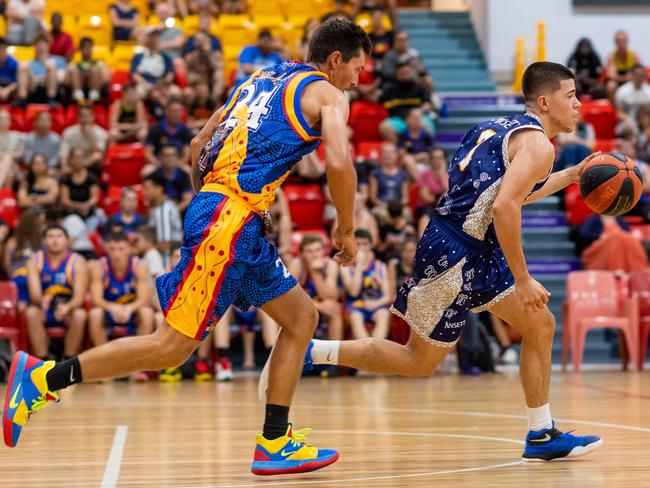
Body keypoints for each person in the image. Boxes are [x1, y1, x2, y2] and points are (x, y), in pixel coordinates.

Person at [3, 20, 370, 479]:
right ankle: (41, 379)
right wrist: (346, 228)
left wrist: (214, 197)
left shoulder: (260, 79)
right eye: (357, 67)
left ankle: (275, 441)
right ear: (335, 60)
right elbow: (339, 161)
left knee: (301, 318)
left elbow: (200, 144)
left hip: (234, 219)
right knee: (171, 347)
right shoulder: (329, 95)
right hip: (229, 224)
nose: (358, 78)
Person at [288, 61, 603, 461]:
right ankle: (312, 352)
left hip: (467, 245)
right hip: (456, 253)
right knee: (418, 361)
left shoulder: (501, 127)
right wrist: (522, 279)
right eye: (571, 95)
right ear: (545, 101)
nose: (578, 104)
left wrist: (571, 174)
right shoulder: (540, 146)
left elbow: (504, 195)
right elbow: (506, 205)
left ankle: (541, 434)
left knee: (539, 323)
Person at [24, 224, 88, 360]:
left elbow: (79, 296)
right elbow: (34, 292)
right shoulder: (34, 260)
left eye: (59, 236)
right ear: (44, 241)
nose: (55, 240)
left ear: (67, 240)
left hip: (68, 306)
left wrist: (68, 307)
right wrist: (41, 301)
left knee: (80, 314)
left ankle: (69, 358)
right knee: (31, 312)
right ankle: (43, 359)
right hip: (44, 306)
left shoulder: (77, 261)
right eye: (50, 236)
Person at [88, 232, 154, 362]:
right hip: (108, 311)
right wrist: (111, 308)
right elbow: (96, 298)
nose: (116, 254)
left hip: (132, 311)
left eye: (121, 249)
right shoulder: (99, 266)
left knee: (147, 312)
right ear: (106, 249)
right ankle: (105, 362)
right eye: (112, 249)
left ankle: (138, 362)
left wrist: (129, 308)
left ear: (129, 249)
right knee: (94, 314)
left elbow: (144, 299)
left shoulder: (139, 265)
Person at [288, 234, 343, 342]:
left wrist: (315, 273)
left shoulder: (330, 264)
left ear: (324, 251)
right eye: (310, 251)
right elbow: (289, 296)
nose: (315, 255)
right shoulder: (297, 264)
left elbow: (331, 295)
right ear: (302, 254)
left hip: (321, 306)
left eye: (318, 250)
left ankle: (335, 354)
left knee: (335, 309)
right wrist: (317, 305)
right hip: (301, 306)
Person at [143, 172, 182, 268]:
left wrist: (143, 248)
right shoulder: (160, 207)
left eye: (147, 188)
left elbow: (165, 243)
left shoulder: (163, 209)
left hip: (167, 262)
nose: (144, 192)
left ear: (159, 189)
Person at [60, 147, 103, 231]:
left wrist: (86, 206)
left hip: (89, 212)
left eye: (80, 157)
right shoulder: (65, 178)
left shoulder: (92, 178)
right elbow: (64, 200)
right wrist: (78, 206)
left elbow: (94, 198)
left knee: (93, 225)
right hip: (71, 212)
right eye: (75, 157)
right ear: (70, 160)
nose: (78, 160)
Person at [144, 98, 192, 170]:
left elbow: (186, 155)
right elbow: (148, 153)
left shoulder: (185, 130)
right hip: (158, 164)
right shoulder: (155, 128)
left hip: (178, 165)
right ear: (166, 112)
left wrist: (176, 165)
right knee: (147, 171)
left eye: (179, 112)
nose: (177, 114)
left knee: (189, 171)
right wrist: (158, 164)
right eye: (174, 111)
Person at [60, 105, 108, 171]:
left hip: (92, 167)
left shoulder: (101, 133)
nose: (85, 120)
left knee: (97, 156)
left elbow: (99, 155)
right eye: (82, 116)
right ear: (78, 118)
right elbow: (64, 154)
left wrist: (91, 136)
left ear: (93, 117)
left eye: (87, 116)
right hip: (72, 166)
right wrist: (65, 166)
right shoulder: (68, 132)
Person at [148, 145, 193, 214]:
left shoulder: (183, 175)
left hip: (179, 212)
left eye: (172, 155)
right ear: (160, 158)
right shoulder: (154, 176)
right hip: (159, 211)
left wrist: (172, 212)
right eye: (166, 156)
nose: (169, 159)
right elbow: (151, 199)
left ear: (177, 158)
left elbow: (187, 199)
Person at [130, 29, 175, 98]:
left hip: (161, 83)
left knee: (175, 92)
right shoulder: (139, 56)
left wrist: (163, 84)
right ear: (147, 39)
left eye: (157, 36)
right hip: (144, 83)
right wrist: (147, 84)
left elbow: (170, 73)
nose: (154, 39)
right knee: (139, 92)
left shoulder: (165, 57)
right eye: (152, 37)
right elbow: (134, 74)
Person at [16, 34, 58, 106]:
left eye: (43, 44)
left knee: (50, 66)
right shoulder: (29, 63)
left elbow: (62, 77)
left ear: (48, 45)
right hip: (33, 86)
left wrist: (43, 77)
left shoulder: (57, 60)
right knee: (23, 65)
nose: (41, 47)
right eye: (38, 45)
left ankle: (51, 98)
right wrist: (38, 79)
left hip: (50, 84)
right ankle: (22, 98)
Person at [67, 37, 109, 103]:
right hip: (79, 87)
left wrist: (90, 77)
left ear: (92, 48)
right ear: (80, 48)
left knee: (94, 69)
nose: (86, 48)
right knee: (73, 69)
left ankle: (94, 96)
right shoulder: (75, 64)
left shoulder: (99, 63)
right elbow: (66, 80)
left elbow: (106, 79)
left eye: (89, 46)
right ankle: (79, 97)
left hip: (96, 88)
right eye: (84, 46)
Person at [605, 30, 641, 101]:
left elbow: (639, 72)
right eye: (619, 42)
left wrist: (630, 77)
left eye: (623, 41)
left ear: (627, 41)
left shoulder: (634, 56)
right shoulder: (612, 56)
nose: (621, 44)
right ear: (615, 42)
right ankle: (615, 108)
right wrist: (624, 78)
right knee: (611, 86)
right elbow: (611, 75)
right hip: (618, 81)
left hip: (632, 80)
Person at [0, 108, 23, 188]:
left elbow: (21, 153)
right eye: (0, 119)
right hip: (9, 168)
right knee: (10, 172)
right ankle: (6, 196)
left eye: (4, 119)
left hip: (14, 166)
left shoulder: (16, 136)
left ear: (9, 121)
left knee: (8, 157)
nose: (1, 121)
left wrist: (9, 155)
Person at [0, 37, 19, 103]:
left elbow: (17, 82)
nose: (1, 53)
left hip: (10, 92)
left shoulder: (14, 63)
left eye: (3, 50)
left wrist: (7, 90)